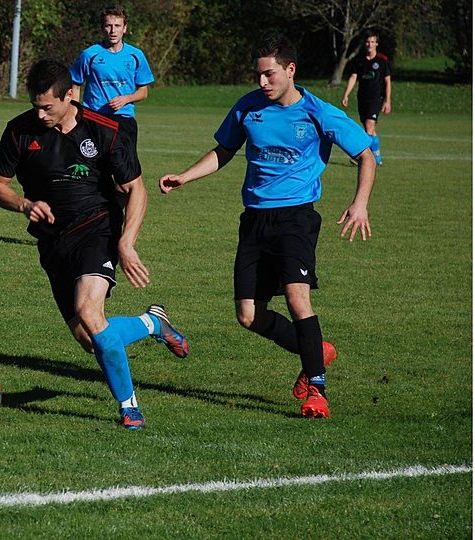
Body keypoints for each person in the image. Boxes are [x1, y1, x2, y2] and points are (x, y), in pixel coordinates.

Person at [158, 35, 377, 418]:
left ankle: (318, 391)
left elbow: (365, 154)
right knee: (247, 315)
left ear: (290, 70)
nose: (262, 82)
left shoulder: (318, 112)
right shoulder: (248, 107)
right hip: (255, 220)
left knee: (297, 298)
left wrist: (360, 203)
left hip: (296, 217)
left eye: (269, 74)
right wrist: (185, 177)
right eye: (258, 75)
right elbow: (224, 150)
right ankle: (317, 350)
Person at [0, 59, 188, 430]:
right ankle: (152, 323)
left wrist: (126, 243)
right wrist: (24, 204)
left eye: (48, 106)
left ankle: (129, 408)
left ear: (70, 95)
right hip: (52, 242)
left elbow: (136, 189)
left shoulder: (106, 130)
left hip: (98, 228)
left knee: (91, 314)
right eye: (35, 105)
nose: (41, 114)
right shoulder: (19, 131)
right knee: (91, 340)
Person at [69, 6, 154, 156]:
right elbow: (75, 84)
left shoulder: (136, 55)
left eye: (117, 26)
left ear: (124, 28)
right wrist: (76, 113)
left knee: (125, 168)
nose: (113, 31)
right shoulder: (89, 55)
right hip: (94, 117)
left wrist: (126, 99)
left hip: (124, 119)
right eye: (108, 26)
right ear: (103, 28)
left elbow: (143, 92)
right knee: (95, 165)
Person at [341, 31, 392, 166]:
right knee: (370, 129)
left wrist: (387, 100)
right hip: (362, 98)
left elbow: (387, 81)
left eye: (372, 42)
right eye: (368, 42)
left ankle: (361, 157)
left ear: (376, 44)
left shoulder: (382, 61)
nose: (370, 44)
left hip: (376, 98)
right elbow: (353, 77)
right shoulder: (360, 60)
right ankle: (377, 158)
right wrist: (346, 94)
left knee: (369, 127)